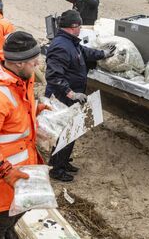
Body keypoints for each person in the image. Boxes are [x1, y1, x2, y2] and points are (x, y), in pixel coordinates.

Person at [0, 31, 51, 239]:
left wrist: (36, 110)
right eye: (34, 61)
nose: (38, 65)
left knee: (18, 211)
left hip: (22, 166)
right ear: (19, 63)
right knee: (2, 217)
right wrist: (7, 172)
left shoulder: (21, 79)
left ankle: (8, 232)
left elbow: (15, 114)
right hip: (2, 176)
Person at [44, 10, 115, 181]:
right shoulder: (61, 46)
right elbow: (53, 76)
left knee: (72, 131)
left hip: (72, 96)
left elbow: (84, 52)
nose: (81, 29)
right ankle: (56, 169)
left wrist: (102, 54)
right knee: (64, 132)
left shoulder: (71, 42)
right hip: (63, 98)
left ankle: (63, 162)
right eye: (80, 26)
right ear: (73, 26)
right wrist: (71, 93)